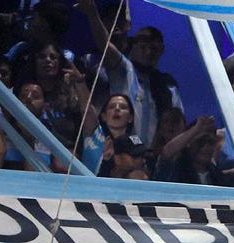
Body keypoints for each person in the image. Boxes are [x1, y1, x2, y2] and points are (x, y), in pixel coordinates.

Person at [78, 2, 182, 144]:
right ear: (133, 45)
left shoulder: (167, 86)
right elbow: (105, 45)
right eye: (143, 46)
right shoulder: (125, 70)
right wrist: (93, 15)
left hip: (153, 153)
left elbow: (178, 122)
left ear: (161, 50)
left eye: (154, 48)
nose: (148, 52)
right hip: (121, 149)